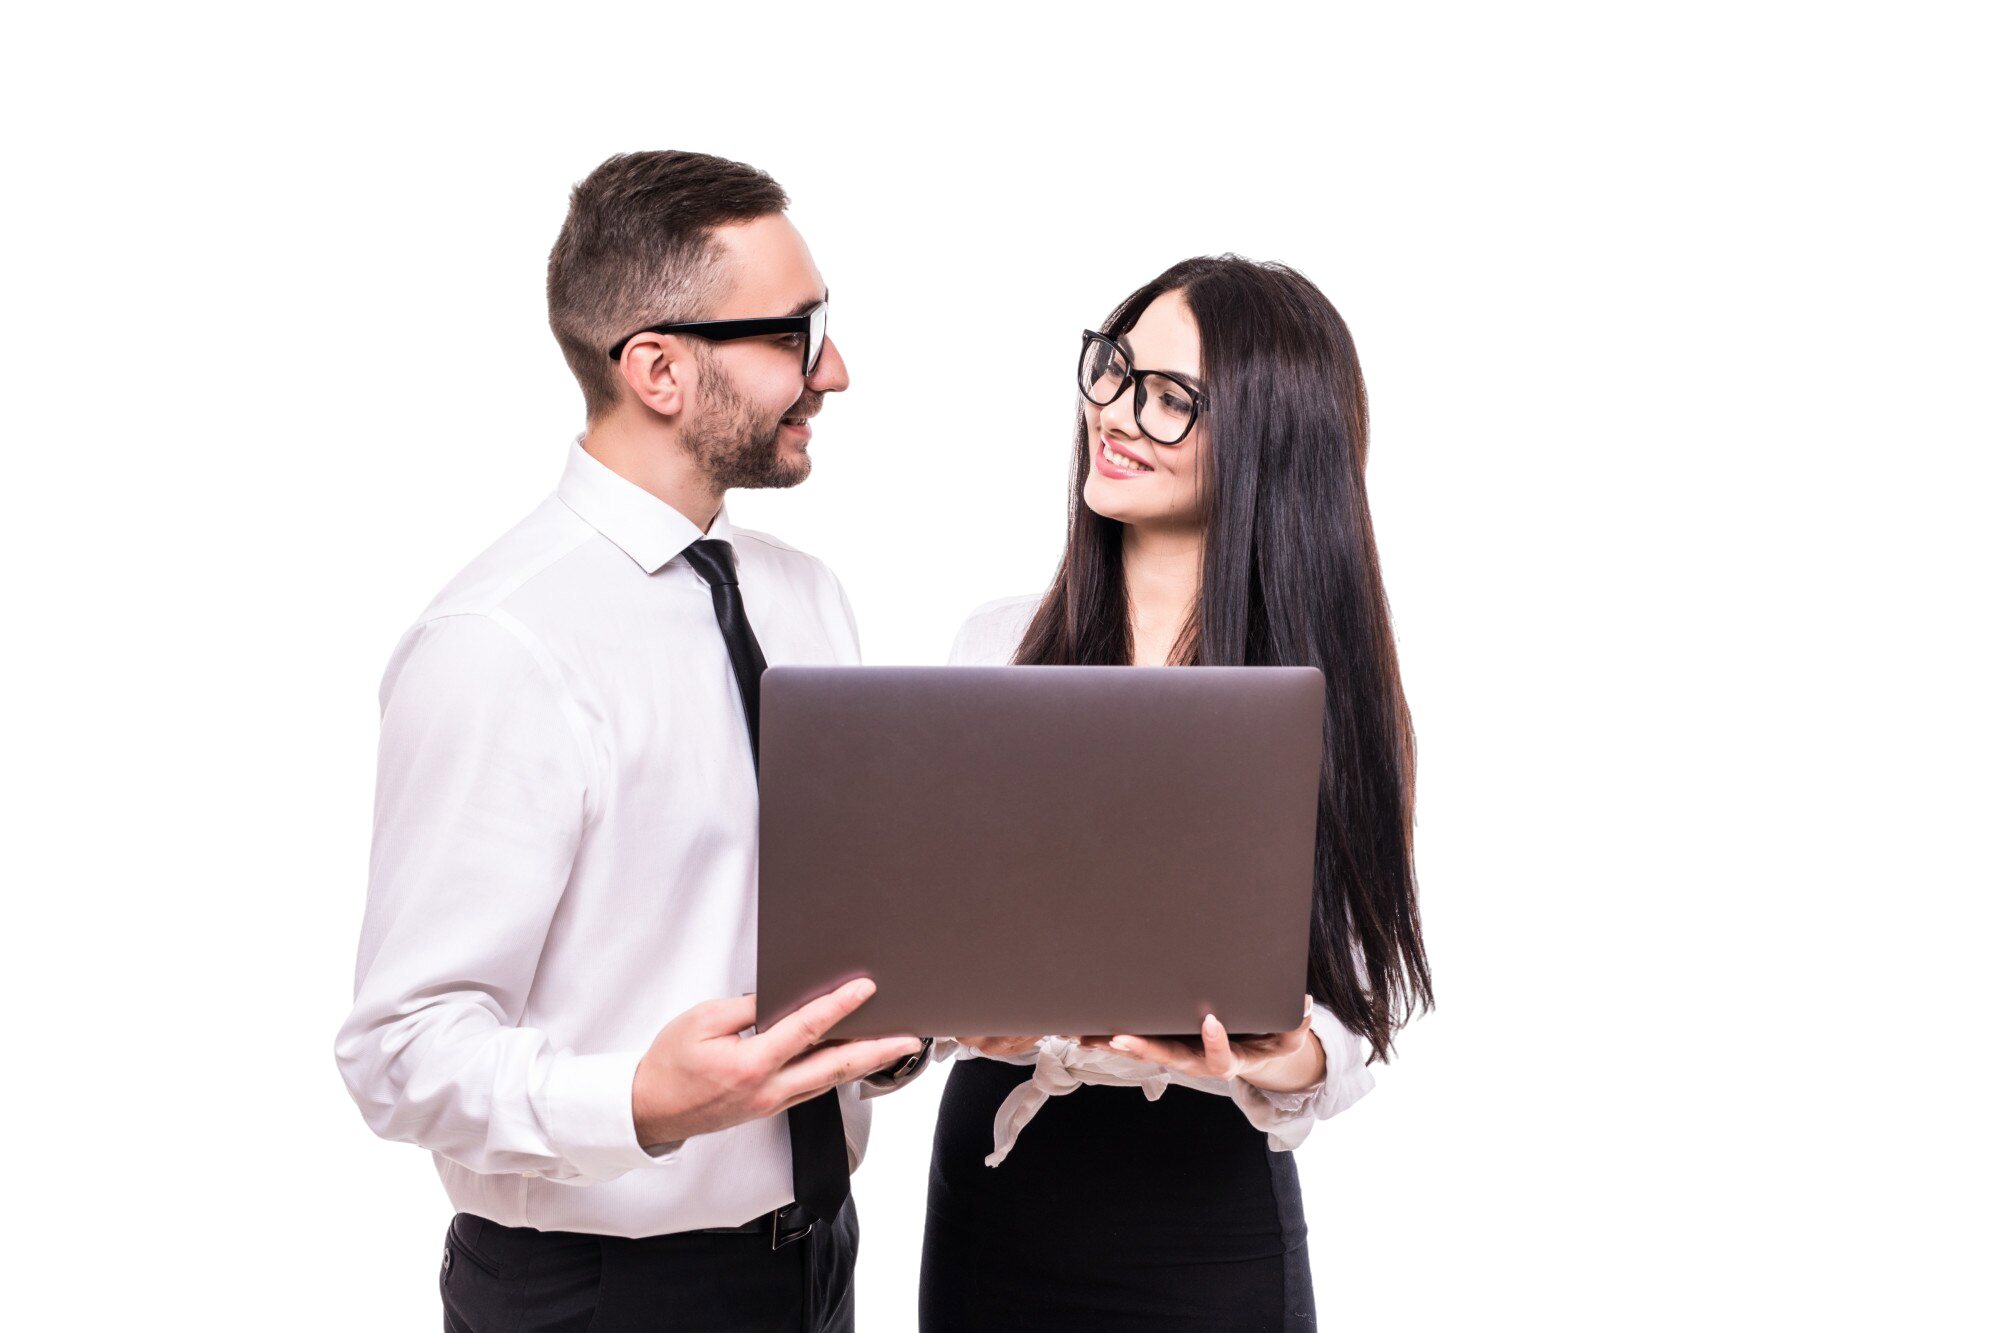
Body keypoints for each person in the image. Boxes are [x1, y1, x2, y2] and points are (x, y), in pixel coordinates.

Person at [326, 146, 939, 1333]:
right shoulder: (497, 642)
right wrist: (638, 1102)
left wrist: (904, 1031)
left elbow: (835, 911)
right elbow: (397, 1056)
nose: (838, 373)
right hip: (603, 1295)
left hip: (824, 1257)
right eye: (797, 336)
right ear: (657, 368)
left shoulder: (812, 594)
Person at [913, 250, 1441, 1332]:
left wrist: (1293, 1053)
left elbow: (1365, 991)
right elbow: (931, 932)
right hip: (989, 1191)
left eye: (1169, 399)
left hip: (1208, 1213)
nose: (1114, 414)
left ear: (1267, 440)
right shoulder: (994, 640)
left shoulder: (1323, 685)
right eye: (1113, 369)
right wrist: (947, 1014)